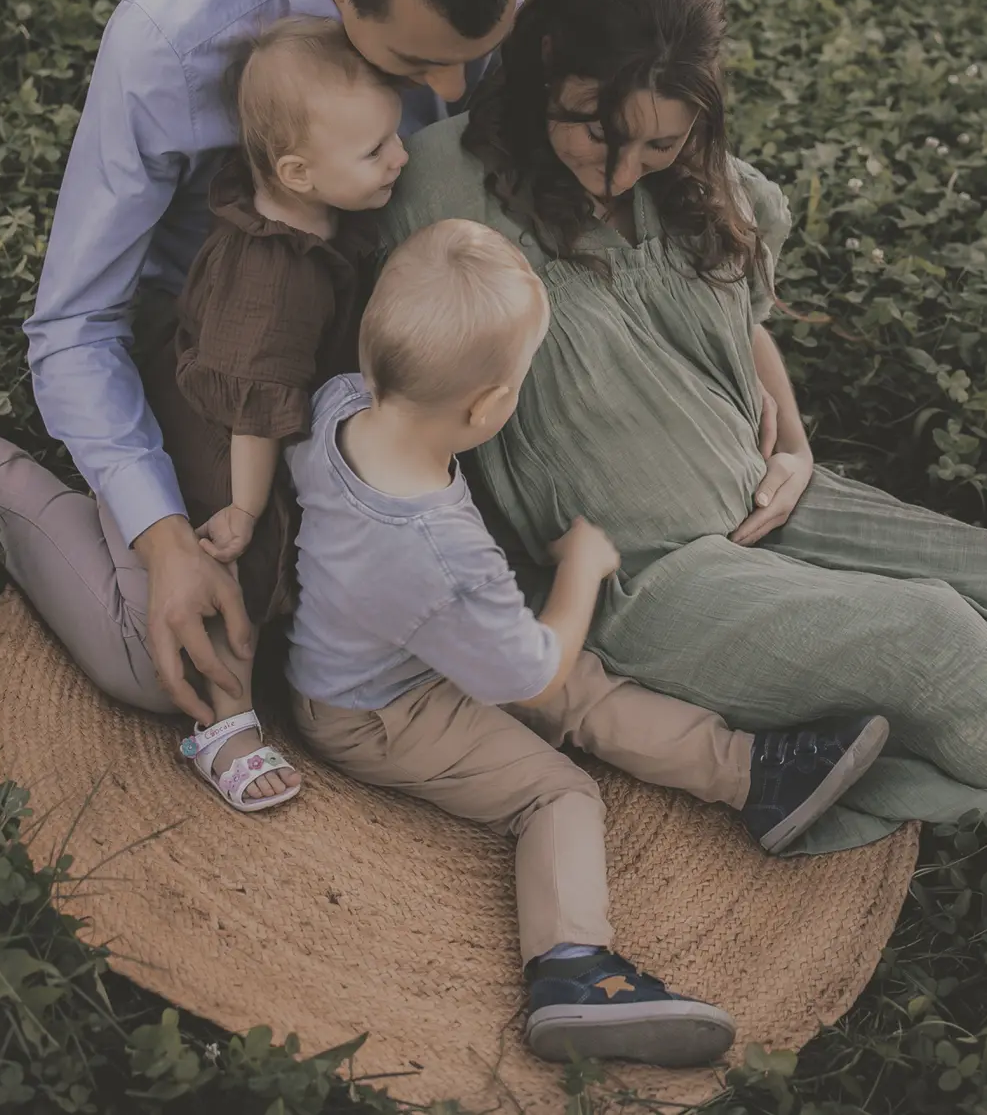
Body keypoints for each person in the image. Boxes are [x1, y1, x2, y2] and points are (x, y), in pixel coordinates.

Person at [0, 0, 525, 729]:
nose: (458, 85)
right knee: (172, 658)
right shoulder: (171, 44)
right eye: (417, 66)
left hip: (384, 320)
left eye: (480, 49)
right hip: (217, 339)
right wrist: (165, 545)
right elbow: (78, 324)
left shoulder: (471, 0)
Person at [376, 0, 987, 856]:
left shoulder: (693, 178)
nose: (622, 169)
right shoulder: (444, 187)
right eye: (595, 131)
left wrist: (796, 443)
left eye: (658, 142)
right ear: (548, 66)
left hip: (767, 495)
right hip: (644, 574)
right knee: (934, 637)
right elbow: (391, 383)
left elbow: (740, 317)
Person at [287, 219, 888, 1064]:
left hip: (396, 648)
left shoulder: (341, 403)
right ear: (490, 407)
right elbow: (528, 675)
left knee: (588, 688)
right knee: (558, 791)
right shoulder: (443, 554)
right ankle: (571, 969)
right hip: (377, 709)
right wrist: (580, 569)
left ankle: (754, 777)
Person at [162, 15, 408, 809]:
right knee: (248, 555)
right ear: (299, 172)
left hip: (265, 409)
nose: (400, 158)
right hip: (227, 438)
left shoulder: (304, 210)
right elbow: (255, 411)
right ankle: (225, 721)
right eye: (376, 152)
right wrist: (241, 503)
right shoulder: (276, 280)